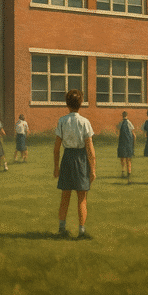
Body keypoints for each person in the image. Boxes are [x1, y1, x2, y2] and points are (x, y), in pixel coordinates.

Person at [54, 89, 96, 239]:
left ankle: (61, 229)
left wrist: (56, 166)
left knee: (65, 196)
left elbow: (57, 147)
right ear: (81, 103)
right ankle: (82, 231)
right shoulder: (85, 122)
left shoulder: (62, 121)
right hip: (80, 158)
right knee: (82, 197)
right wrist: (93, 169)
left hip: (67, 158)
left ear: (67, 104)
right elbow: (90, 148)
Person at [117, 110, 135, 182]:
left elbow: (117, 130)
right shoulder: (129, 123)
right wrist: (134, 143)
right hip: (128, 143)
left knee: (122, 157)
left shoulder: (120, 123)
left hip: (122, 142)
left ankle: (123, 171)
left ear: (122, 115)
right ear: (127, 115)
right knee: (128, 158)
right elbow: (133, 134)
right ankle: (129, 172)